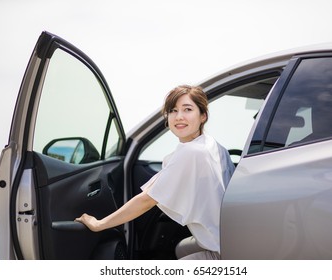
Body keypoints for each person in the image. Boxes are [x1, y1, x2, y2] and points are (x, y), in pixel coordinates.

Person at [75, 85, 235, 259]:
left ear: (203, 116)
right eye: (173, 110)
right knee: (180, 249)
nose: (179, 116)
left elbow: (147, 200)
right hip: (231, 240)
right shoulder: (213, 145)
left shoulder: (192, 153)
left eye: (187, 109)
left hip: (222, 253)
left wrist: (100, 224)